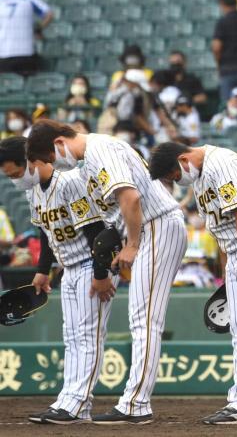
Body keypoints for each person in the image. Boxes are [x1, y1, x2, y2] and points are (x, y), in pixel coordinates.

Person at [27, 119, 187, 424]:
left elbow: (131, 198)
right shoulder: (89, 161)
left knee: (145, 319)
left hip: (157, 225)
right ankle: (131, 402)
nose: (53, 164)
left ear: (60, 143)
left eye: (50, 157)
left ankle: (136, 404)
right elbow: (115, 211)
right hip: (143, 228)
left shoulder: (101, 148)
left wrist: (133, 244)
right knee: (141, 318)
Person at [149, 142, 237, 425]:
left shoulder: (222, 164)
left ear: (183, 159)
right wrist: (225, 276)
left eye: (174, 175)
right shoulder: (199, 175)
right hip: (235, 252)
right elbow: (221, 229)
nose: (177, 181)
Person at [0, 136, 113, 425]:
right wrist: (42, 269)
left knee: (88, 336)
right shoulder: (33, 190)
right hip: (69, 269)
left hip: (90, 264)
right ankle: (68, 400)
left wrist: (101, 275)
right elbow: (46, 233)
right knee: (72, 337)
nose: (13, 179)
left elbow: (96, 230)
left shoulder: (71, 182)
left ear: (33, 161)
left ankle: (78, 404)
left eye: (15, 172)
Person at [0, 0, 53, 75]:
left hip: (3, 52)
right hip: (26, 51)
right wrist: (38, 28)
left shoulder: (1, 0)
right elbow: (49, 14)